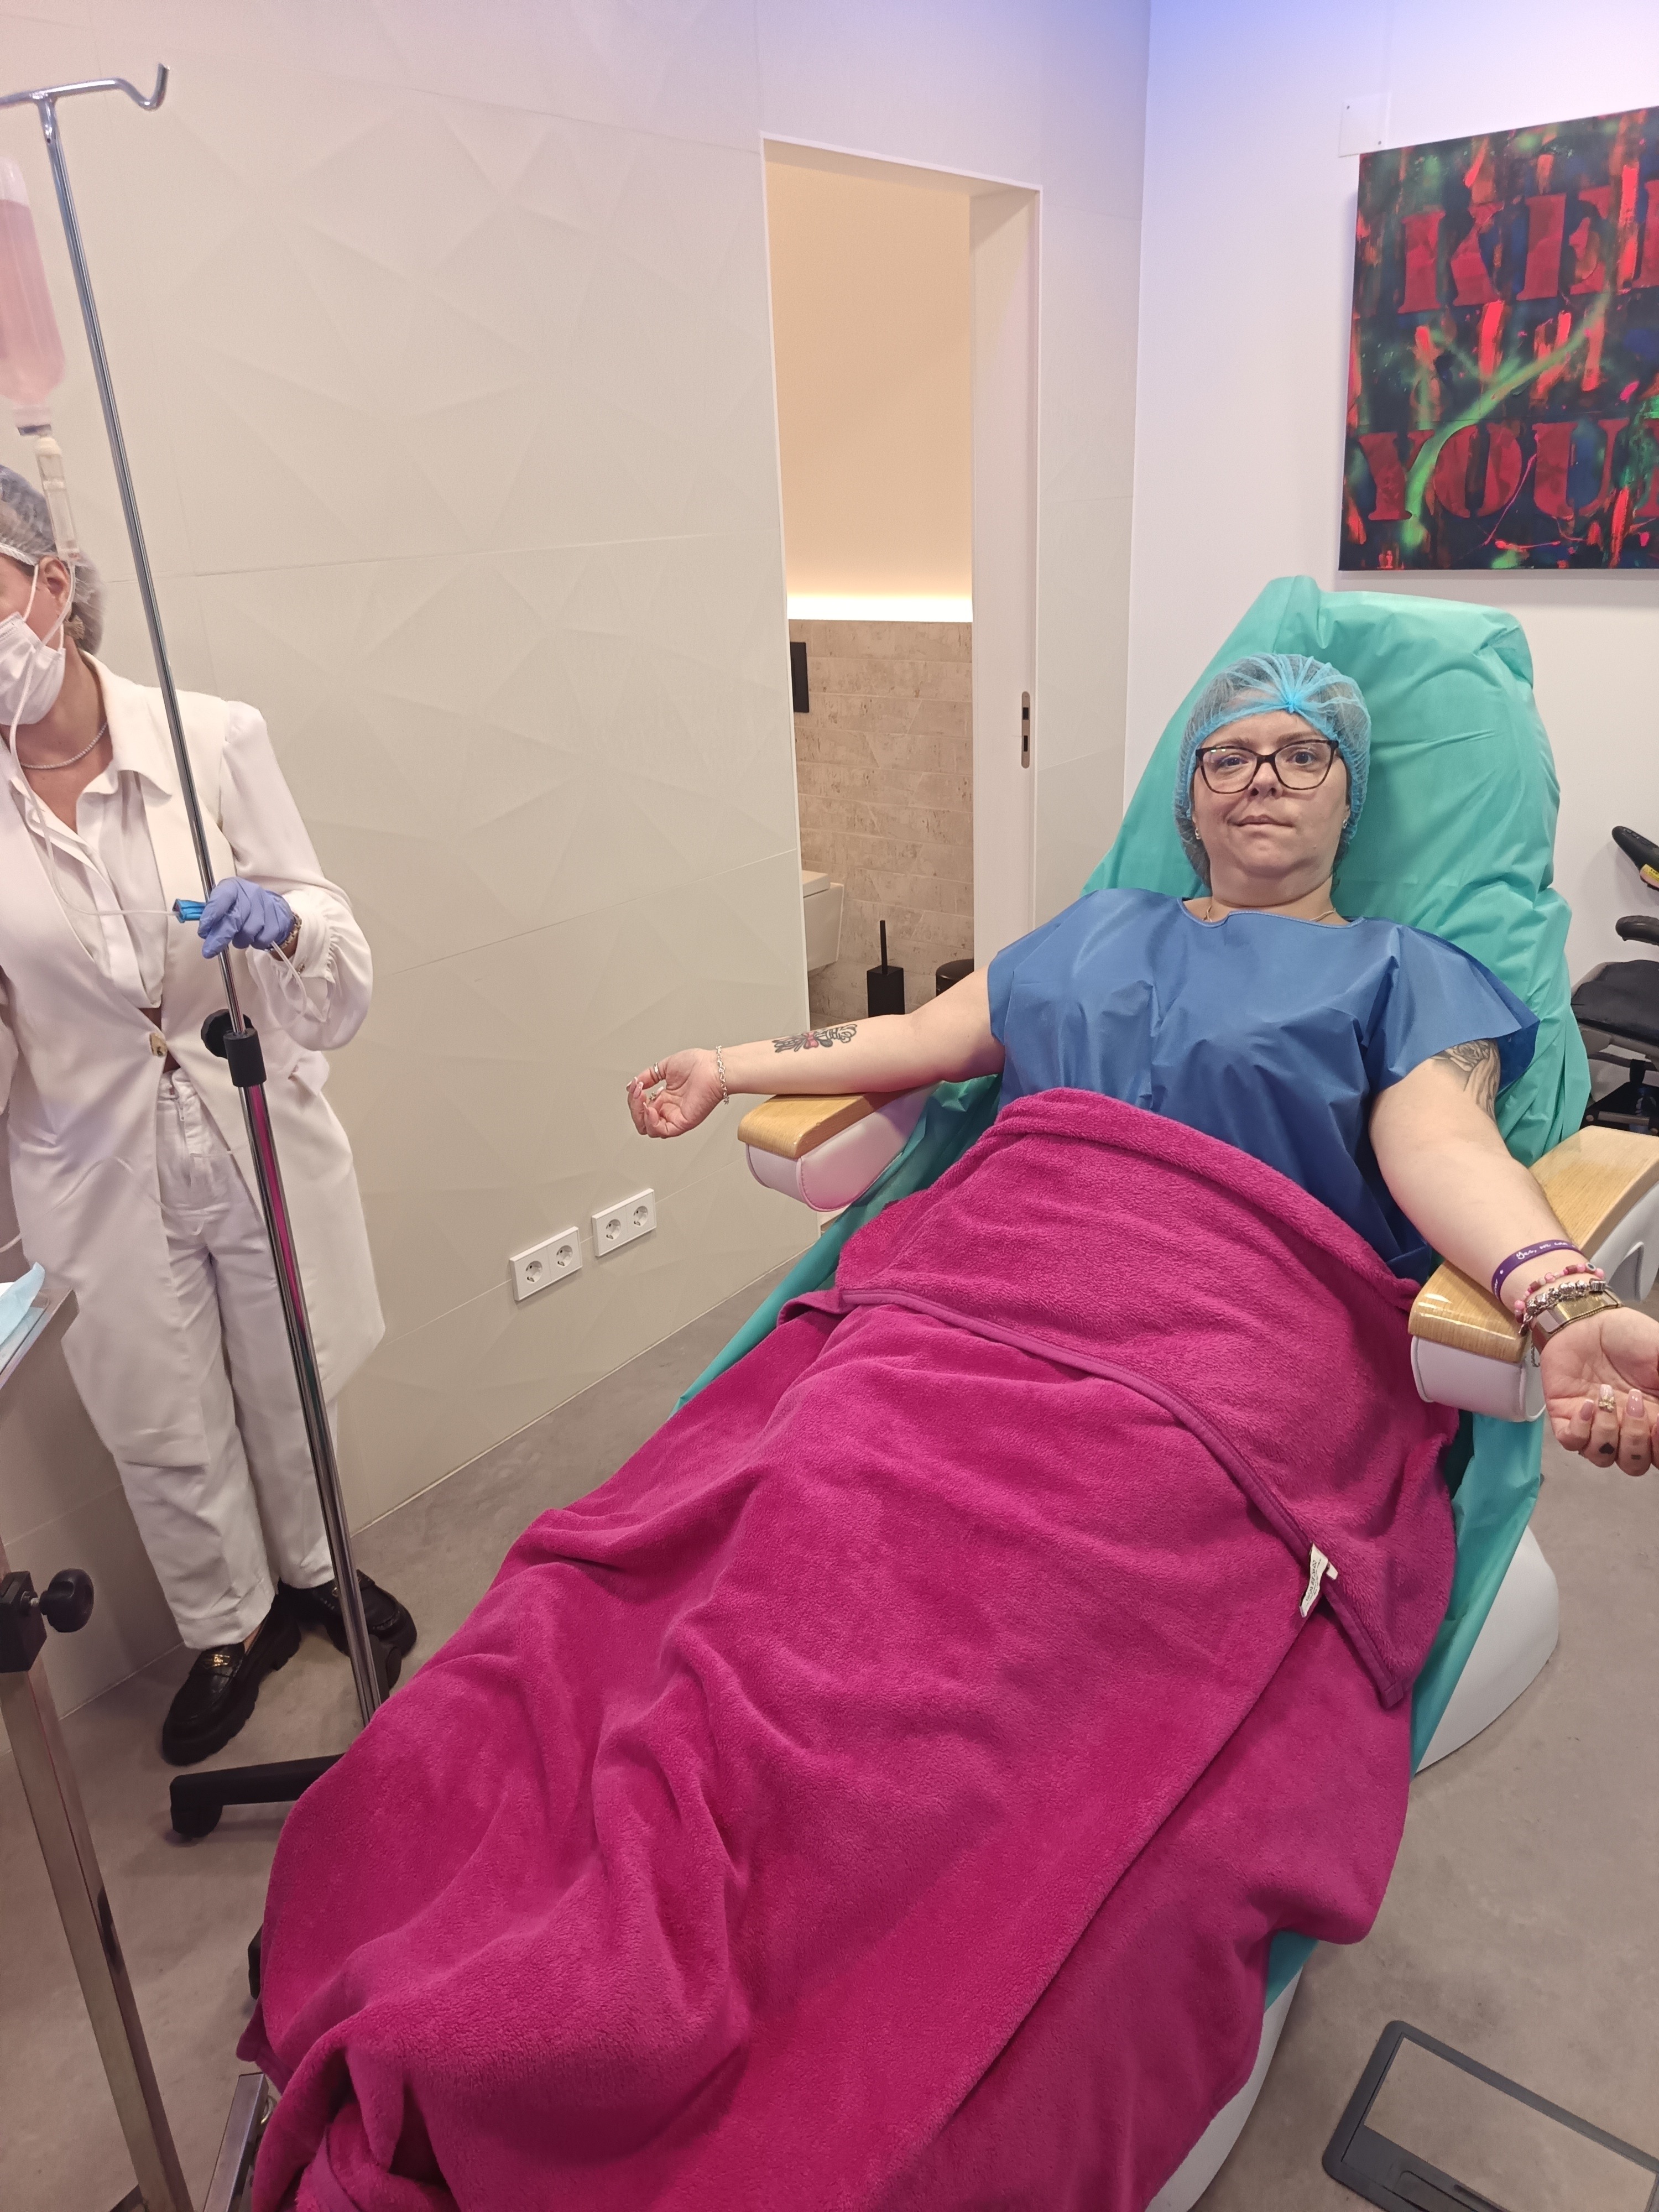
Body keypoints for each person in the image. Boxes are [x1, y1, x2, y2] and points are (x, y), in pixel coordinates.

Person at [631, 652, 1659, 1474]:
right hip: (983, 1284)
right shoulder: (1095, 927)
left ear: (1350, 797)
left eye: (1304, 755)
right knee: (825, 1450)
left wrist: (1563, 1296)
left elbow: (1446, 1146)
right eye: (1229, 757)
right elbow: (910, 1038)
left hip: (1231, 1332)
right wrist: (727, 1063)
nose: (1264, 778)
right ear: (1191, 800)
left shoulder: (1398, 970)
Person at [0, 466, 414, 1764]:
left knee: (292, 1364)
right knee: (159, 1413)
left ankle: (316, 1570)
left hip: (245, 1113)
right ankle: (228, 1624)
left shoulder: (211, 736)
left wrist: (285, 923)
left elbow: (331, 941)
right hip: (90, 1154)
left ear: (49, 584)